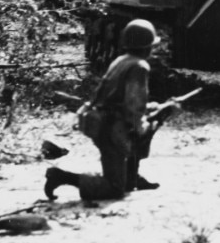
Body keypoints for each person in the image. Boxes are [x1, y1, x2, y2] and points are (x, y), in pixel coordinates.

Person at [43, 19, 167, 203]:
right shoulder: (139, 66)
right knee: (114, 189)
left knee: (142, 129)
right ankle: (62, 177)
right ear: (147, 47)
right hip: (110, 127)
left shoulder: (121, 61)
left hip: (100, 120)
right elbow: (134, 107)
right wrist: (145, 125)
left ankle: (131, 178)